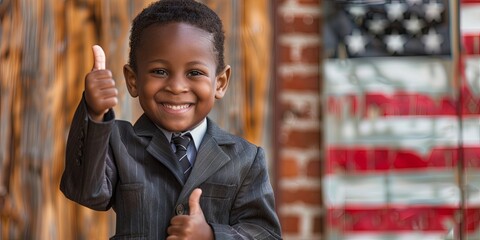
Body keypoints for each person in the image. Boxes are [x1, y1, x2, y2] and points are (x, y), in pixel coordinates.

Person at [60, 0, 282, 239]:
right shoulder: (118, 142)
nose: (176, 87)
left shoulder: (246, 158)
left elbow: (265, 233)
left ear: (220, 82)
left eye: (194, 73)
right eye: (160, 71)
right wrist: (93, 113)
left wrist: (211, 235)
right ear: (133, 80)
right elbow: (85, 191)